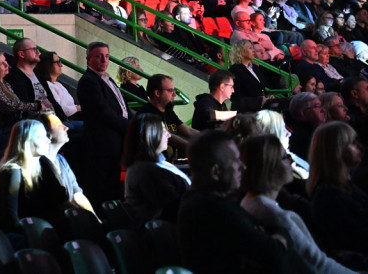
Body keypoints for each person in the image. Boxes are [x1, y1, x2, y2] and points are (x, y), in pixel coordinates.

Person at [241, 134, 356, 274]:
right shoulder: (277, 217)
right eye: (284, 157)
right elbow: (319, 265)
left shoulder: (250, 201)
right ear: (269, 165)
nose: (290, 162)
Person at [178, 130, 288, 274]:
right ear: (215, 172)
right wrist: (281, 233)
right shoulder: (213, 211)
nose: (243, 167)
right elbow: (276, 255)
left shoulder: (198, 202)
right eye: (235, 161)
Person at [0, 118, 74, 230]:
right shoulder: (13, 171)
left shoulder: (43, 163)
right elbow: (10, 218)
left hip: (49, 225)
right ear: (27, 141)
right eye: (42, 137)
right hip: (32, 231)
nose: (48, 140)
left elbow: (62, 199)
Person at [77, 41, 132, 203]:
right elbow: (104, 112)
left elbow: (123, 107)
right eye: (99, 56)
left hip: (115, 139)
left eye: (106, 56)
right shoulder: (88, 81)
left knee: (113, 183)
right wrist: (131, 127)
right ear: (88, 59)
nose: (104, 60)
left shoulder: (108, 79)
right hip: (102, 142)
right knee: (103, 187)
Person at [308, 121, 368, 257]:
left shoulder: (345, 185)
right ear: (338, 150)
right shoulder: (328, 196)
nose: (359, 147)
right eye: (353, 143)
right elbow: (355, 240)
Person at [121, 113, 190, 224]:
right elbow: (174, 204)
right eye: (163, 130)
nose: (168, 135)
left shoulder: (155, 163)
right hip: (167, 231)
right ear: (150, 135)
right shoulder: (145, 170)